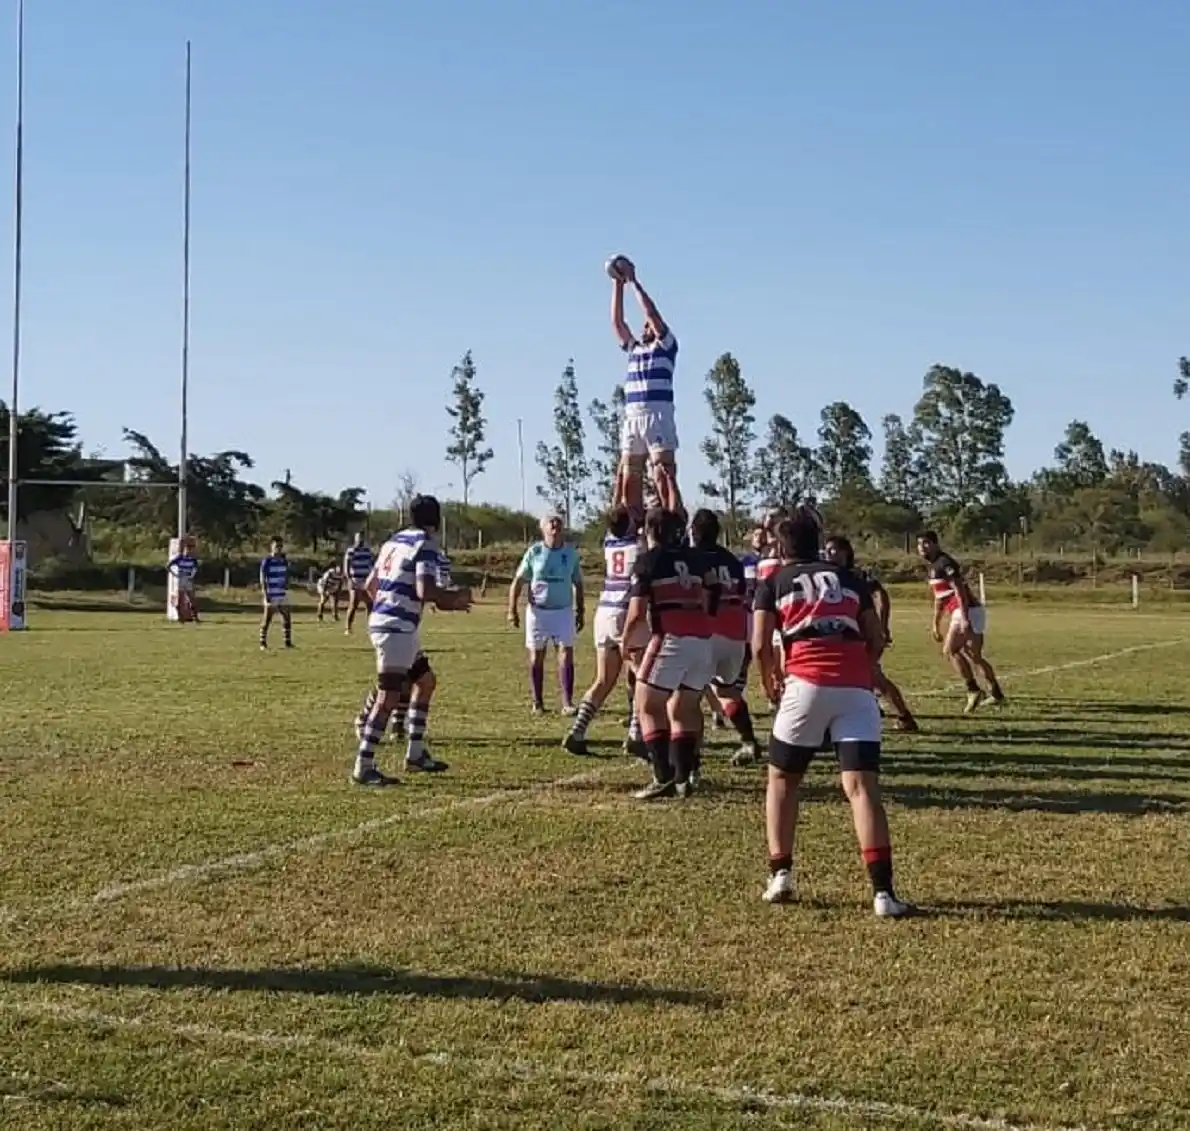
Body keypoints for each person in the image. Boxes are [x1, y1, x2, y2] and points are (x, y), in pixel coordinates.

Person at [752, 512, 913, 919]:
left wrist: (769, 681)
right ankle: (883, 894)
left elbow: (758, 645)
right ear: (818, 540)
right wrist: (862, 666)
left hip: (804, 685)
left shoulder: (773, 583)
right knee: (862, 791)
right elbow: (876, 638)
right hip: (856, 692)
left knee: (782, 781)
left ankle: (781, 873)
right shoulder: (851, 578)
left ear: (781, 547)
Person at [352, 495, 470, 785]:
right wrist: (453, 599)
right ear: (437, 520)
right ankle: (363, 765)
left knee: (425, 682)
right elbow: (425, 590)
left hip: (387, 623)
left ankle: (415, 754)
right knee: (388, 698)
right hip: (397, 629)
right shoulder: (425, 544)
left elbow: (370, 586)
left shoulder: (393, 541)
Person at [622, 507, 719, 801]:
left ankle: (662, 776)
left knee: (648, 705)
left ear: (650, 530)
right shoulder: (698, 557)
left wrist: (626, 640)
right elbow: (715, 586)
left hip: (671, 638)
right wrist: (706, 612)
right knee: (684, 708)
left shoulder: (647, 561)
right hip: (703, 639)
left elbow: (637, 612)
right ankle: (683, 777)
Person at [563, 505, 645, 756]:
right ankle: (635, 734)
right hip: (624, 612)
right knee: (643, 676)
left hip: (604, 614)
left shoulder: (610, 543)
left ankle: (578, 732)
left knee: (603, 680)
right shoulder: (639, 547)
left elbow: (619, 505)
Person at [609, 258, 682, 517]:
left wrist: (633, 282)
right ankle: (635, 527)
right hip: (633, 417)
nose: (645, 325)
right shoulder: (634, 349)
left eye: (649, 325)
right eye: (644, 326)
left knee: (663, 472)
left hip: (657, 415)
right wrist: (617, 285)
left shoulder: (666, 346)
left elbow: (651, 314)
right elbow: (618, 323)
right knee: (630, 477)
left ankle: (671, 522)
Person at [824, 535, 918, 732]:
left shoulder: (857, 575)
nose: (828, 553)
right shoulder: (827, 576)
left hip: (862, 634)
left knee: (873, 675)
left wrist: (882, 625)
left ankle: (904, 717)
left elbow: (881, 595)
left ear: (845, 553)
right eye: (827, 550)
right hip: (843, 635)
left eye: (833, 549)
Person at [689, 509, 761, 765]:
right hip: (736, 634)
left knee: (689, 695)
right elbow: (742, 594)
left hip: (709, 633)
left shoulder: (694, 558)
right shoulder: (732, 560)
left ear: (693, 532)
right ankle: (749, 741)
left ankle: (692, 758)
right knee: (726, 690)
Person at [916, 531, 1004, 713]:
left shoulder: (945, 563)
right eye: (919, 544)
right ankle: (996, 693)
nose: (922, 548)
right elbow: (940, 599)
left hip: (967, 610)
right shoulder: (934, 567)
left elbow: (959, 590)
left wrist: (964, 617)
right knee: (974, 655)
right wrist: (935, 623)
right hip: (972, 610)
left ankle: (973, 689)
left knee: (950, 650)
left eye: (925, 543)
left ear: (935, 544)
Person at [507, 513, 585, 715]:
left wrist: (581, 610)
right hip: (538, 613)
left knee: (566, 653)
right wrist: (512, 610)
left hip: (563, 611)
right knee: (536, 657)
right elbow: (518, 581)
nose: (555, 525)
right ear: (543, 528)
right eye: (551, 522)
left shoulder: (571, 553)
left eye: (559, 522)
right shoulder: (534, 552)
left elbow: (578, 582)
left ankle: (567, 702)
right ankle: (537, 702)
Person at [258, 537, 293, 650]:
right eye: (276, 546)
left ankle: (287, 642)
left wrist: (287, 584)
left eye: (280, 546)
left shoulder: (283, 560)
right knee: (267, 618)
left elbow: (287, 574)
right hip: (271, 592)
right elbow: (263, 578)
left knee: (287, 617)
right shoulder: (267, 561)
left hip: (281, 592)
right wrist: (265, 593)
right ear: (271, 547)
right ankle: (262, 642)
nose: (279, 548)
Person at [343, 531, 376, 635]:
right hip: (355, 580)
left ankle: (370, 627)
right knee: (354, 604)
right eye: (359, 538)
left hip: (366, 580)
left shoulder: (368, 551)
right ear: (355, 539)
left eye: (362, 538)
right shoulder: (351, 551)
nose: (360, 541)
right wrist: (349, 579)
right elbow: (346, 566)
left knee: (370, 604)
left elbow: (372, 564)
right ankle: (348, 628)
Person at [167, 535, 201, 624]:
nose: (188, 551)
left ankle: (195, 617)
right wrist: (175, 574)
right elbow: (169, 566)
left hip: (188, 579)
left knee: (191, 598)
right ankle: (180, 617)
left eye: (189, 550)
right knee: (180, 598)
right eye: (187, 549)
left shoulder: (193, 560)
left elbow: (196, 568)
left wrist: (192, 575)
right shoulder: (179, 558)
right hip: (181, 579)